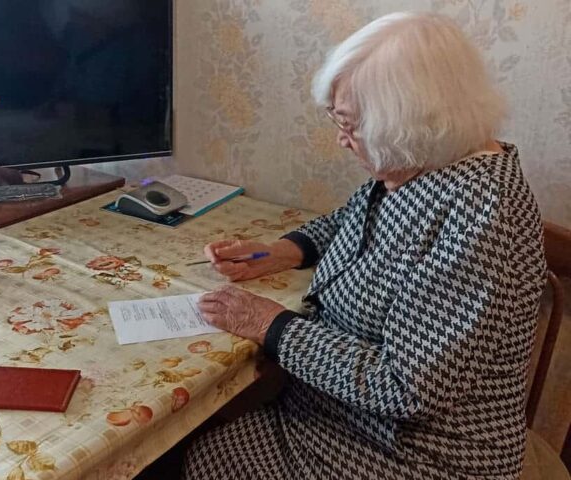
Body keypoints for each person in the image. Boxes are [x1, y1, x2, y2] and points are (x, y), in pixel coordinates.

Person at [183, 11, 546, 480]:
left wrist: (269, 324)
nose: (341, 140)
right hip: (339, 414)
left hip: (415, 453)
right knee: (212, 437)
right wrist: (284, 250)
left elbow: (405, 388)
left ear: (409, 124)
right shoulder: (428, 164)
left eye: (351, 124)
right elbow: (358, 219)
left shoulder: (484, 215)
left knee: (207, 454)